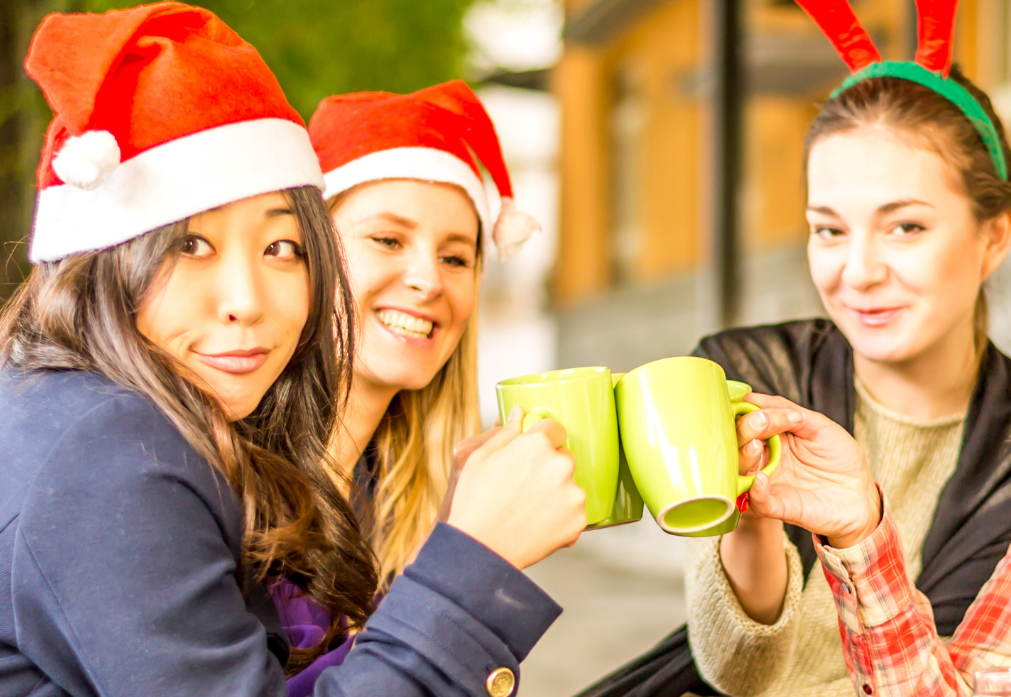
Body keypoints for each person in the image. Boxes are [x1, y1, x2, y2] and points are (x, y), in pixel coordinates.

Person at [0, 5, 587, 696]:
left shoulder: (132, 421)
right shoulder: (116, 445)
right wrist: (476, 561)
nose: (246, 298)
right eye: (190, 243)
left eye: (281, 247)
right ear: (99, 259)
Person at [579, 1, 1011, 696]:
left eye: (904, 227)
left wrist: (859, 532)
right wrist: (748, 527)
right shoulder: (744, 380)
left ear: (993, 236)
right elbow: (734, 673)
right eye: (828, 230)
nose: (858, 271)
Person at [268, 81, 544, 694]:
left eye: (456, 257)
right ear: (306, 251)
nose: (427, 281)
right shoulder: (225, 481)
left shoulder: (400, 491)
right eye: (388, 239)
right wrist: (469, 570)